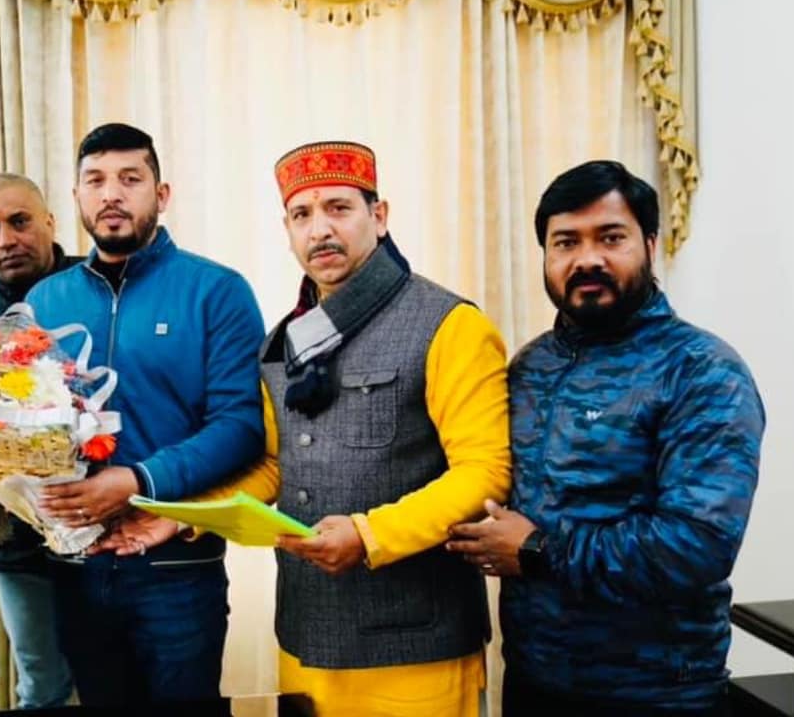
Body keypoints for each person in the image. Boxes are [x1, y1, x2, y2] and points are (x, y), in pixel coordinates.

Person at [104, 140, 513, 716]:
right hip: (305, 637)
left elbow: (485, 472)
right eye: (302, 214)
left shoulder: (450, 324)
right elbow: (278, 466)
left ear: (379, 215)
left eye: (338, 208)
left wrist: (368, 535)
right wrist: (183, 518)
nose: (319, 229)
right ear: (288, 230)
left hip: (415, 644)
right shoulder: (285, 340)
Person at [447, 160, 765, 716]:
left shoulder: (702, 370)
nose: (587, 259)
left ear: (650, 244)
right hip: (532, 679)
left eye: (611, 238)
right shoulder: (530, 367)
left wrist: (537, 550)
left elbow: (698, 547)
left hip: (658, 693)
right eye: (565, 242)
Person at [22, 123, 266, 705]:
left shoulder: (217, 291)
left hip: (175, 568)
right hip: (76, 567)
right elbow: (25, 424)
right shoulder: (43, 302)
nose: (111, 194)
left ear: (162, 194)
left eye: (130, 179)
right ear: (76, 197)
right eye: (95, 181)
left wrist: (137, 480)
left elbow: (241, 426)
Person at [0, 172, 80, 708]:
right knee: (40, 681)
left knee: (114, 679)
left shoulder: (94, 286)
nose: (5, 240)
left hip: (102, 522)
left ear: (51, 223)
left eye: (19, 222)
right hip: (14, 538)